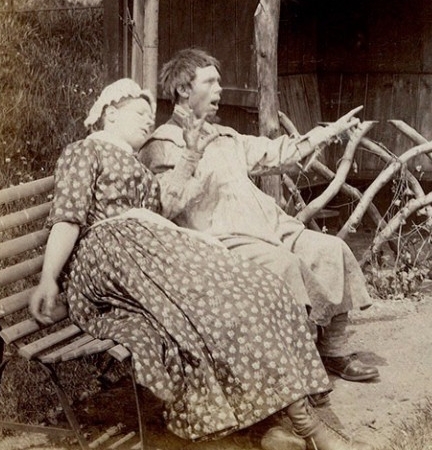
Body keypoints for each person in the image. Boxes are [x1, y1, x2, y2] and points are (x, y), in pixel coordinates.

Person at [28, 78, 366, 450]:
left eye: (150, 115)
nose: (148, 120)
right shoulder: (84, 151)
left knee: (262, 289)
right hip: (115, 260)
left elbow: (165, 208)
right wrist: (48, 277)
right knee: (215, 310)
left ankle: (287, 423)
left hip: (152, 251)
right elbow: (68, 218)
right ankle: (304, 430)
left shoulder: (135, 164)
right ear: (110, 115)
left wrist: (190, 156)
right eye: (139, 113)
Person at [139, 48, 379, 383]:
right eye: (210, 82)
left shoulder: (225, 135)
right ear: (183, 89)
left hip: (267, 226)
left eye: (219, 81)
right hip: (221, 240)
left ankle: (333, 351)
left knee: (331, 250)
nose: (220, 89)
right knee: (285, 265)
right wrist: (191, 157)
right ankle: (294, 369)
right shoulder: (162, 143)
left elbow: (276, 152)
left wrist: (328, 132)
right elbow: (165, 205)